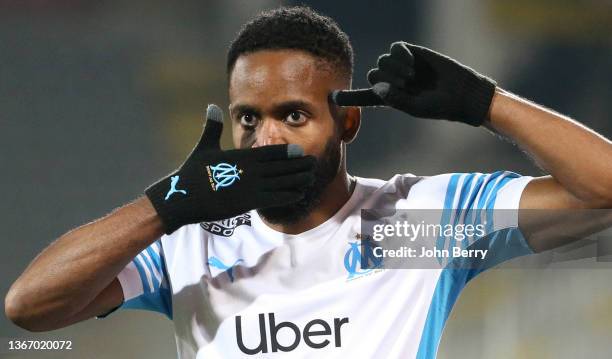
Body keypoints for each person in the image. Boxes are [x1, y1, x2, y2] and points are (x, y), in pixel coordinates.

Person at [5, 6, 612, 359]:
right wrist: (166, 204)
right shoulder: (189, 240)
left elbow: (604, 187)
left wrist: (486, 103)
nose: (267, 137)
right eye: (249, 117)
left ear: (347, 120)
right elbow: (28, 309)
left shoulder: (425, 221)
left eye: (292, 115)